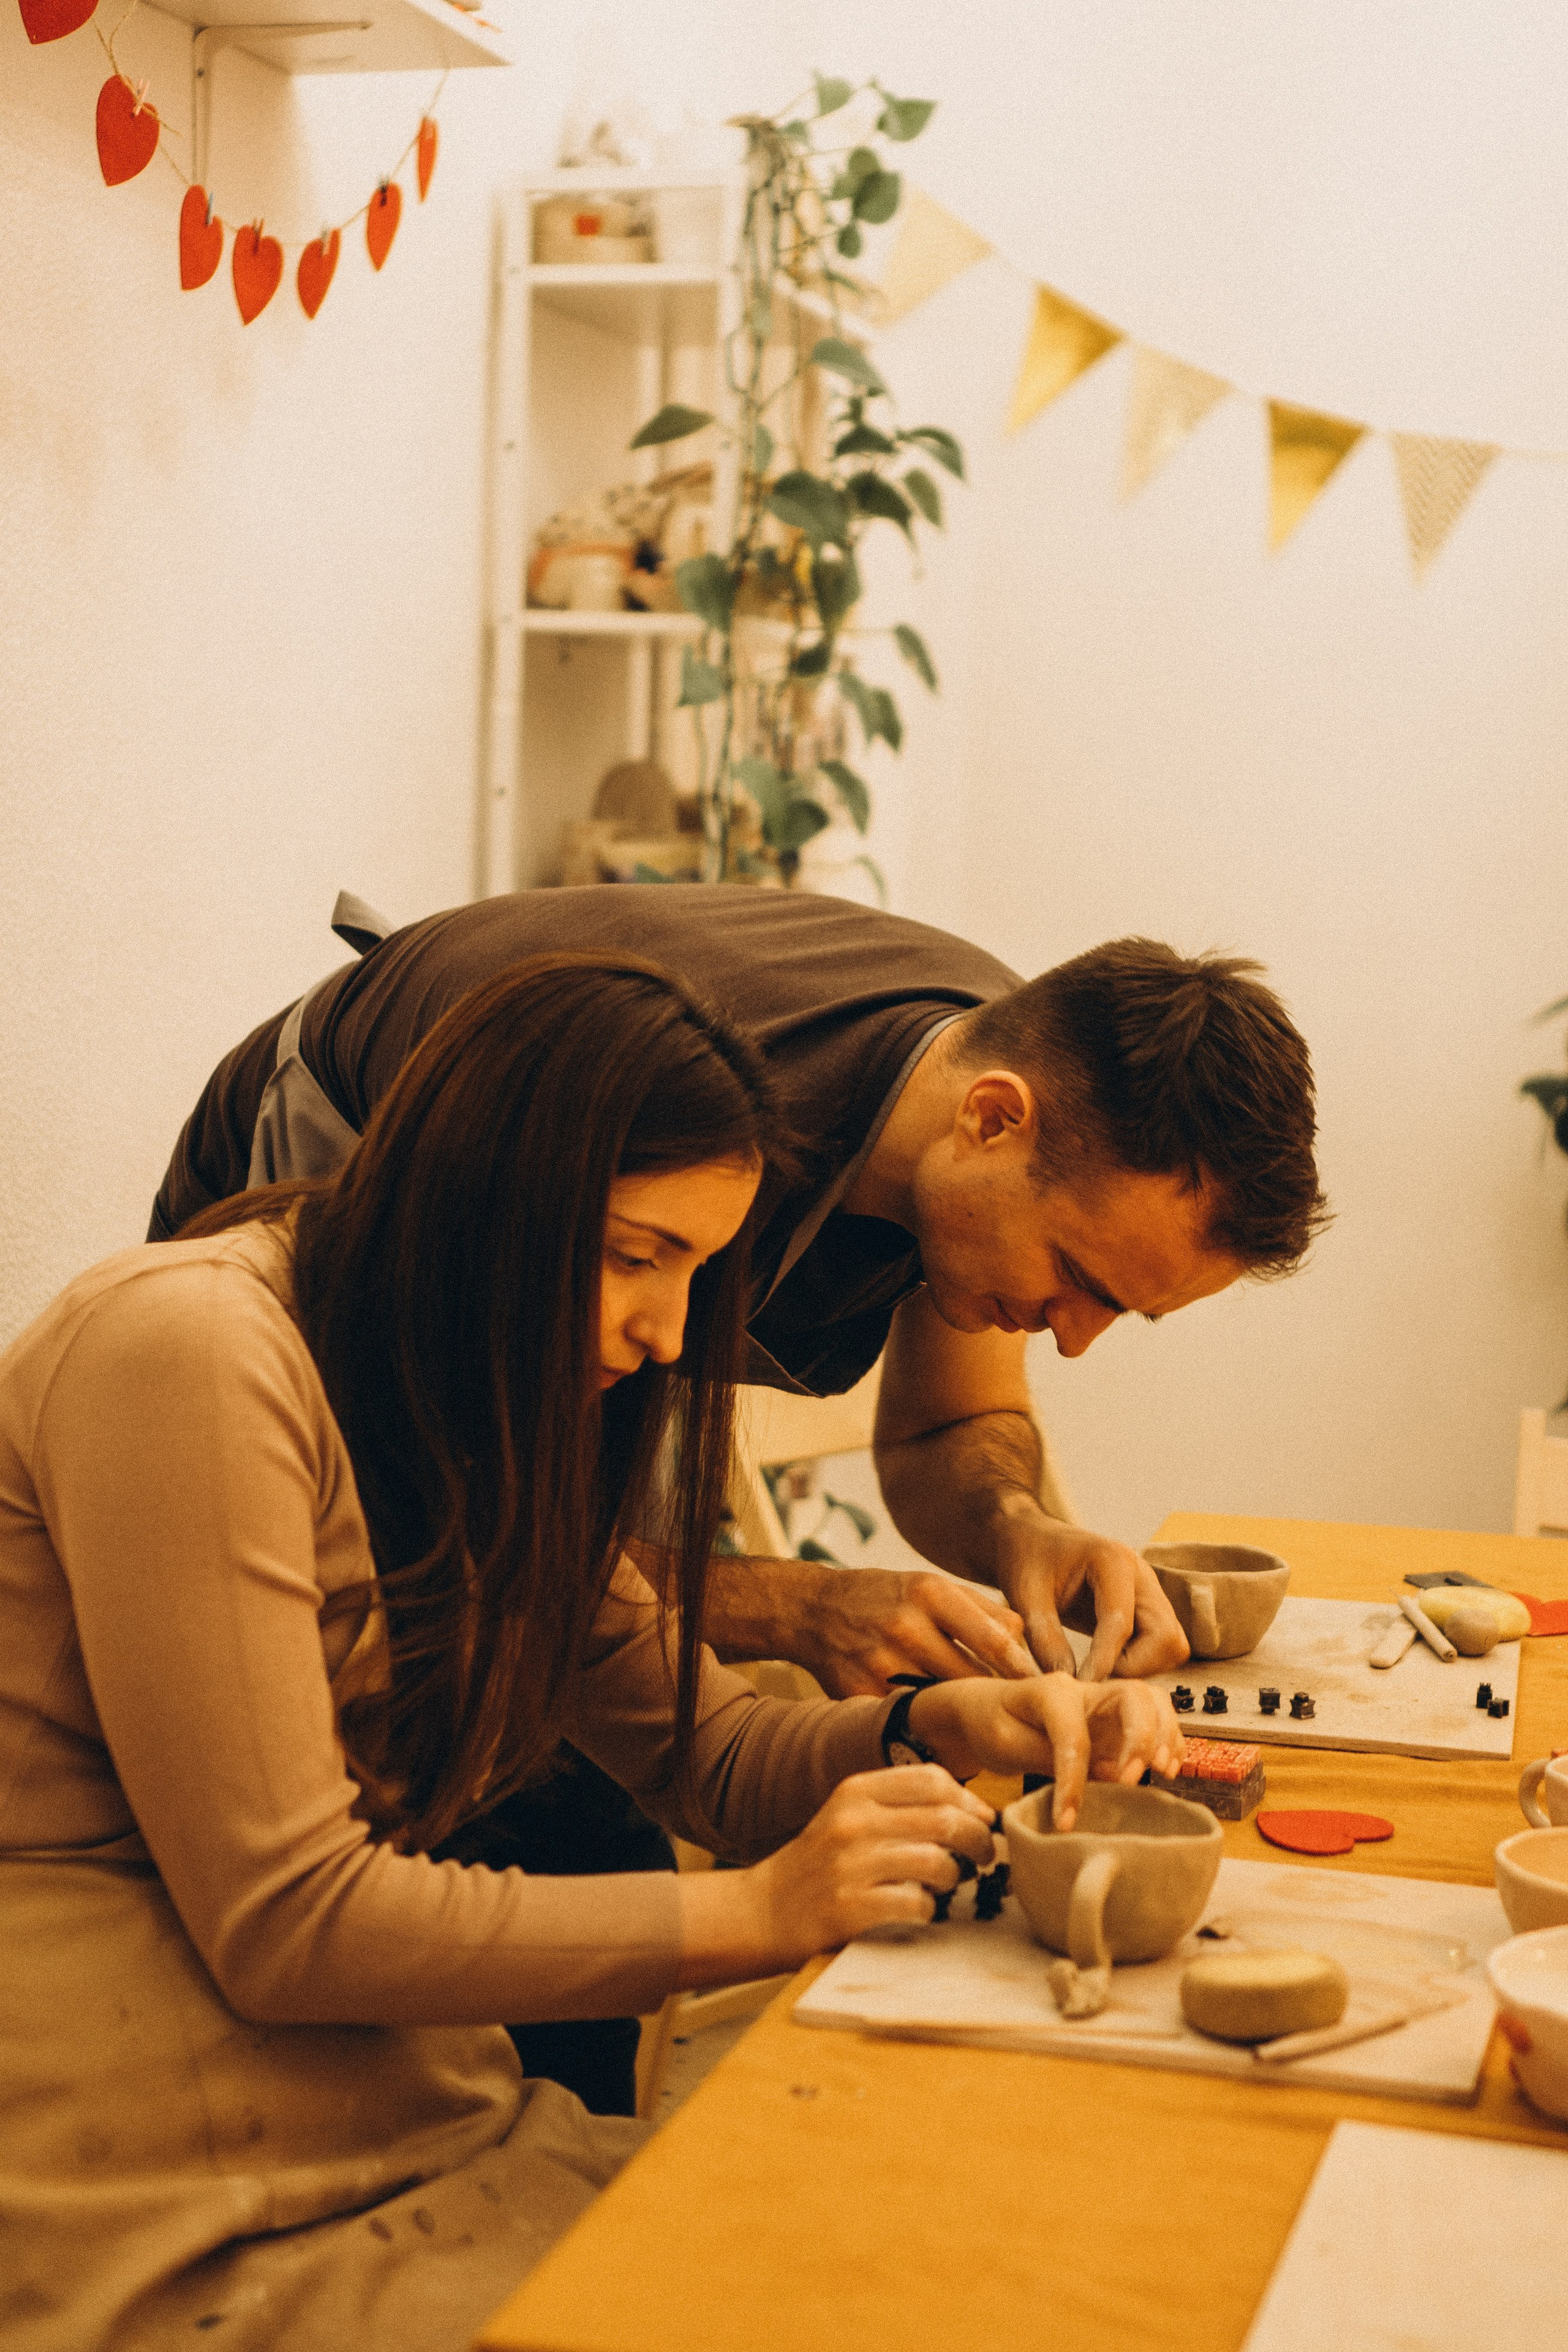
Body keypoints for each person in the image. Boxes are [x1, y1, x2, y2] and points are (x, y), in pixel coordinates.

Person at [0, 954, 1181, 2352]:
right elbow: (286, 1924)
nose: (666, 1331)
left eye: (695, 1271)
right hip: (133, 2148)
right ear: (474, 1201)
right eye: (635, 1256)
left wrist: (932, 1729)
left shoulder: (473, 1383)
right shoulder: (187, 1349)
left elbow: (711, 1751)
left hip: (387, 2098)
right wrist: (758, 1915)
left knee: (957, 2262)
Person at [153, 888, 1328, 1689]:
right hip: (328, 1162)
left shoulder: (996, 1093)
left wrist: (1019, 1529)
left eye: (1122, 1311)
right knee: (444, 1737)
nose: (1073, 1342)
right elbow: (437, 1542)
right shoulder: (672, 1126)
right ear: (990, 1121)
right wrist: (794, 1607)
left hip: (489, 1401)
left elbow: (950, 1424)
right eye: (1079, 1281)